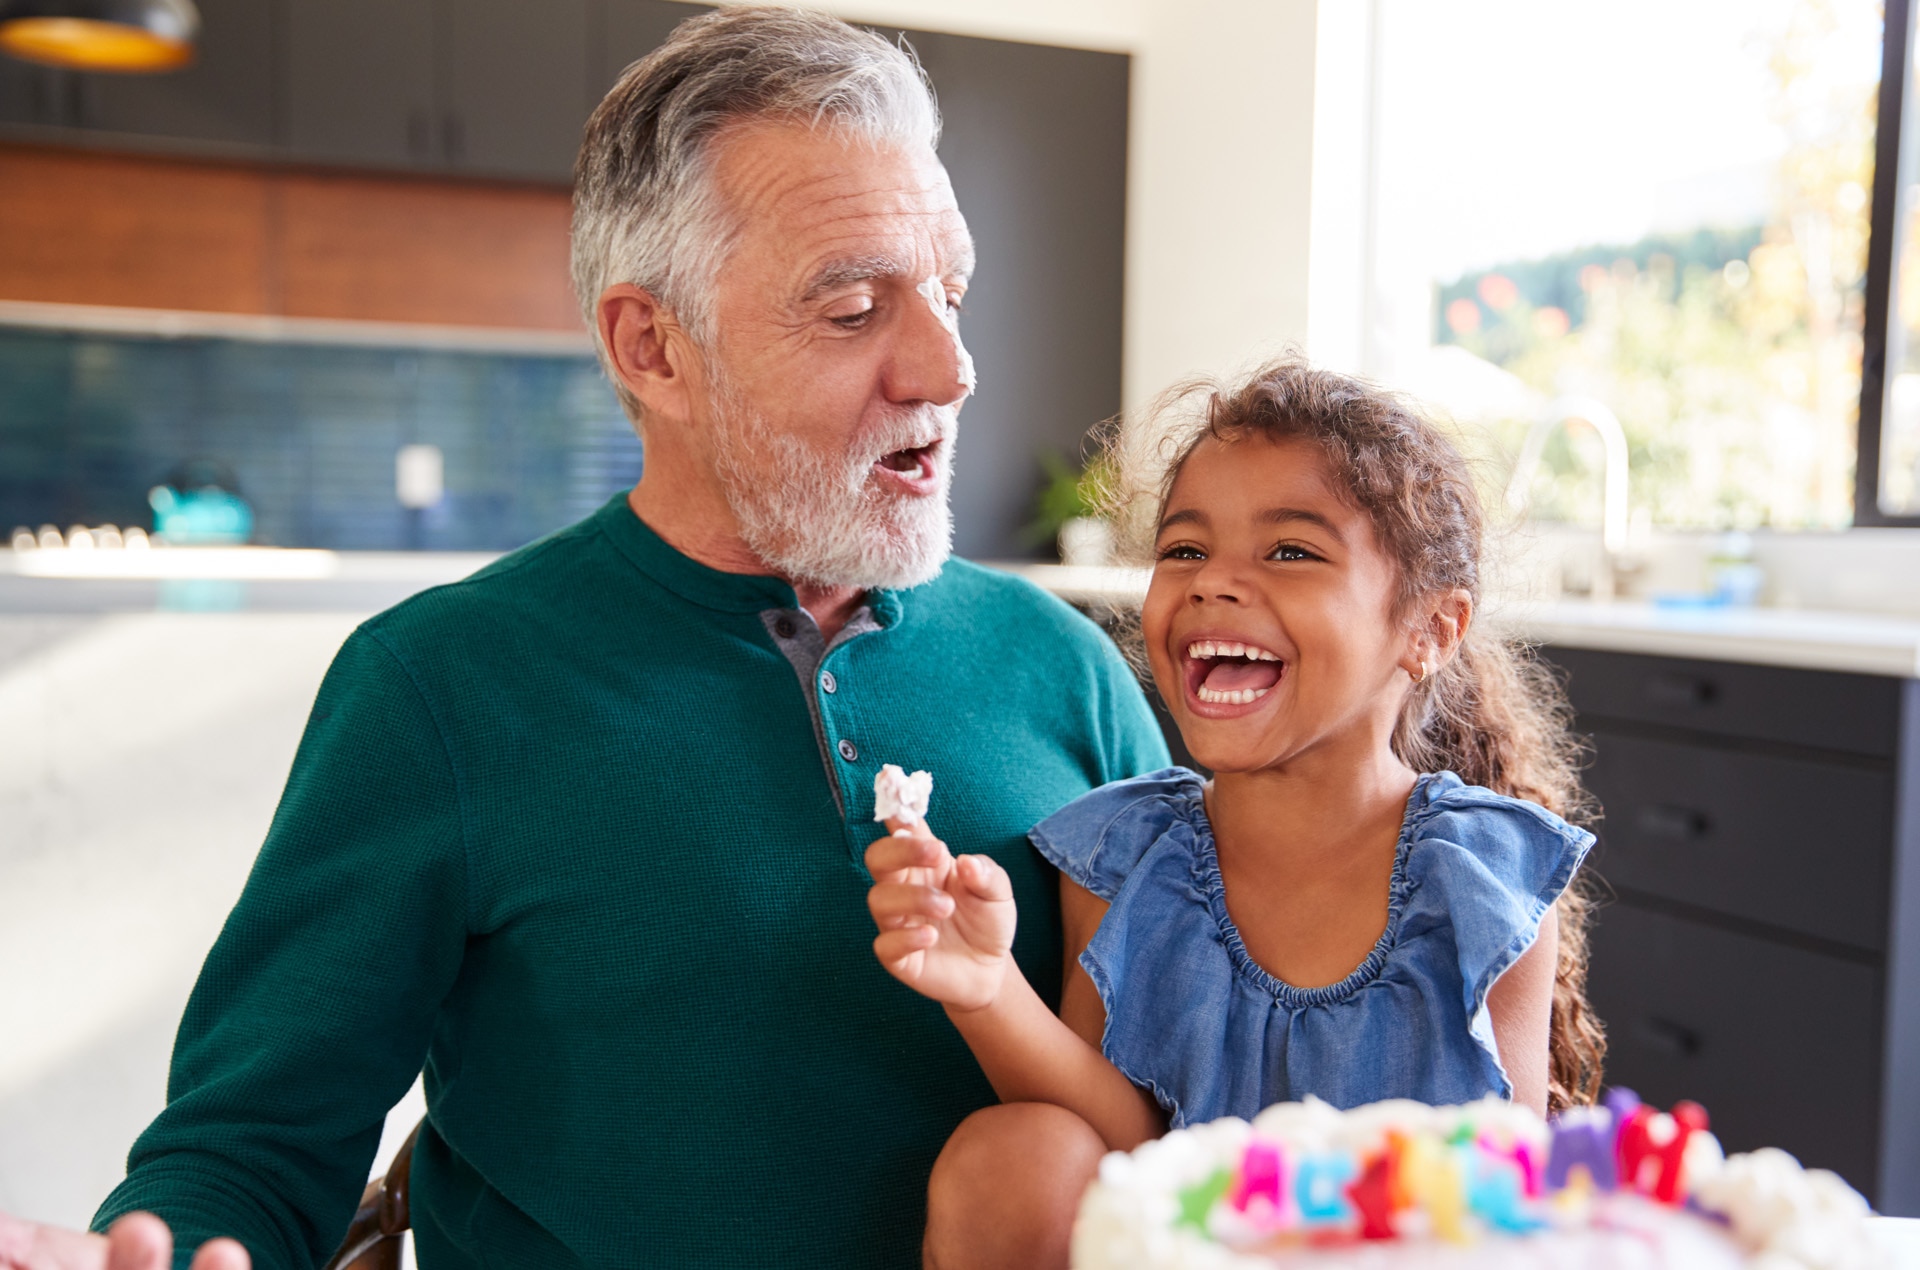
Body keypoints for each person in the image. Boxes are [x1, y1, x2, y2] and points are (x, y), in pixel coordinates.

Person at [0, 10, 1169, 1270]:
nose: (947, 367)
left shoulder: (1067, 668)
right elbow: (255, 1147)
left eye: (949, 291)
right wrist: (168, 1253)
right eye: (851, 308)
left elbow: (1200, 1108)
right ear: (651, 346)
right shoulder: (438, 686)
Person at [863, 359, 1608, 1270]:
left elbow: (1499, 1216)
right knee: (1017, 1155)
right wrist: (987, 989)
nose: (1213, 583)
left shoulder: (1484, 885)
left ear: (1430, 630)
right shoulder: (1123, 857)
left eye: (1290, 552)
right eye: (1184, 551)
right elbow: (1127, 1148)